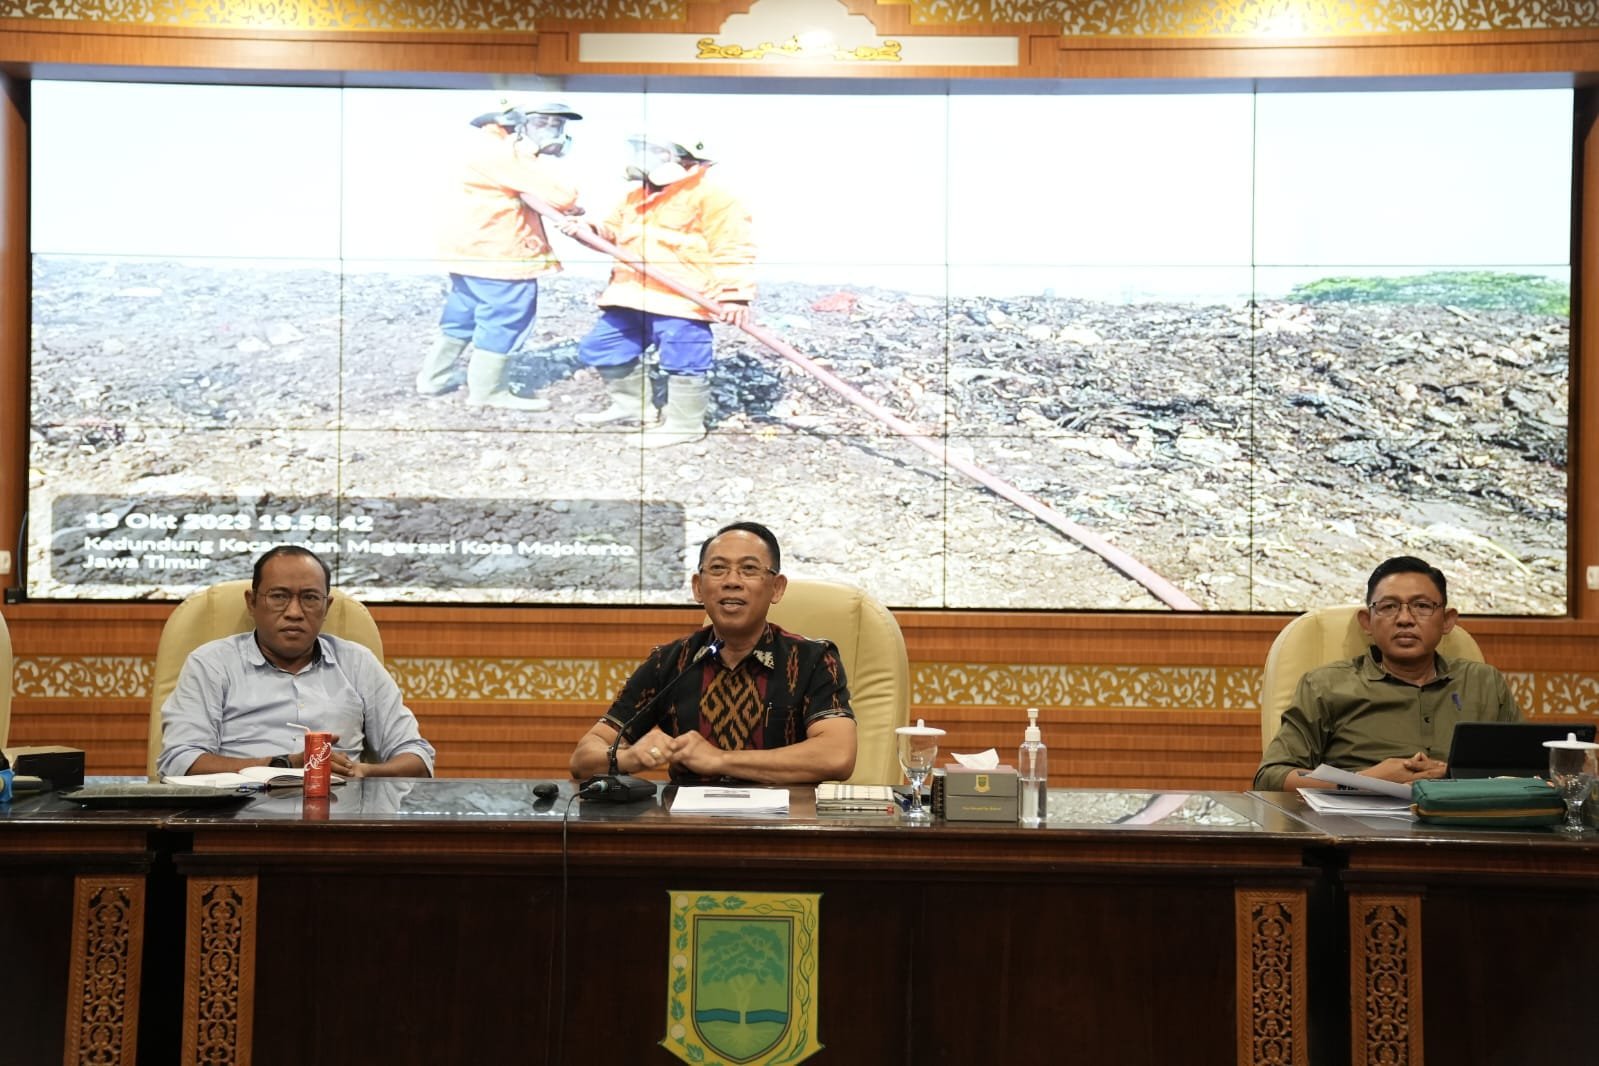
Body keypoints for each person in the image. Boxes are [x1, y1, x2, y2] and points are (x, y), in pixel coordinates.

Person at [569, 521, 856, 785]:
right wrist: (628, 758)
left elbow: (836, 756)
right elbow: (583, 759)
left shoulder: (813, 660)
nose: (732, 581)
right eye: (718, 569)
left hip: (781, 831)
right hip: (688, 833)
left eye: (749, 569)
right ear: (698, 587)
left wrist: (719, 760)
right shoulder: (669, 663)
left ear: (776, 588)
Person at [156, 546, 436, 780]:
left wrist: (364, 772)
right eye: (279, 597)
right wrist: (284, 766)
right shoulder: (212, 663)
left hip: (339, 820)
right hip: (237, 819)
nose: (294, 612)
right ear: (252, 603)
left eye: (310, 598)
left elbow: (418, 758)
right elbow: (181, 760)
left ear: (326, 607)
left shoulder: (357, 663)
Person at [1254, 555, 1522, 792]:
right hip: (1356, 832)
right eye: (1388, 607)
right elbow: (1272, 777)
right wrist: (1365, 781)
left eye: (1422, 606)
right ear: (1367, 622)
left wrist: (1452, 777)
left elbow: (1531, 773)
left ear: (1447, 621)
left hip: (1463, 832)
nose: (1405, 618)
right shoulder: (1325, 685)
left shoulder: (1484, 683)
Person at [567, 133, 755, 447]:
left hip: (682, 299)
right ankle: (633, 408)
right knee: (603, 346)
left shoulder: (713, 198)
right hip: (629, 295)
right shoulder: (635, 197)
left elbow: (733, 246)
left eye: (652, 152)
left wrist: (734, 293)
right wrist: (589, 231)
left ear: (680, 159)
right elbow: (611, 232)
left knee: (685, 358)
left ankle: (685, 425)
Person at [418, 102, 584, 410]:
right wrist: (566, 201)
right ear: (516, 124)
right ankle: (488, 392)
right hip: (499, 253)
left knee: (464, 313)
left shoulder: (485, 147)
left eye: (557, 125)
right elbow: (562, 194)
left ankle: (434, 377)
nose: (553, 133)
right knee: (507, 317)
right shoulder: (505, 154)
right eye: (544, 123)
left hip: (470, 250)